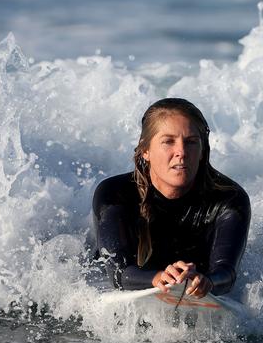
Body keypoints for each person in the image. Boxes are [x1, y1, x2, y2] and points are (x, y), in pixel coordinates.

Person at [92, 98, 250, 298]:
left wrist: (207, 281)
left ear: (202, 151)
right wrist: (158, 278)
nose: (181, 152)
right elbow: (118, 273)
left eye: (191, 142)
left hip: (196, 282)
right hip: (131, 280)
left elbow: (226, 273)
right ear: (145, 150)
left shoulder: (229, 200)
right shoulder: (114, 194)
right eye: (168, 141)